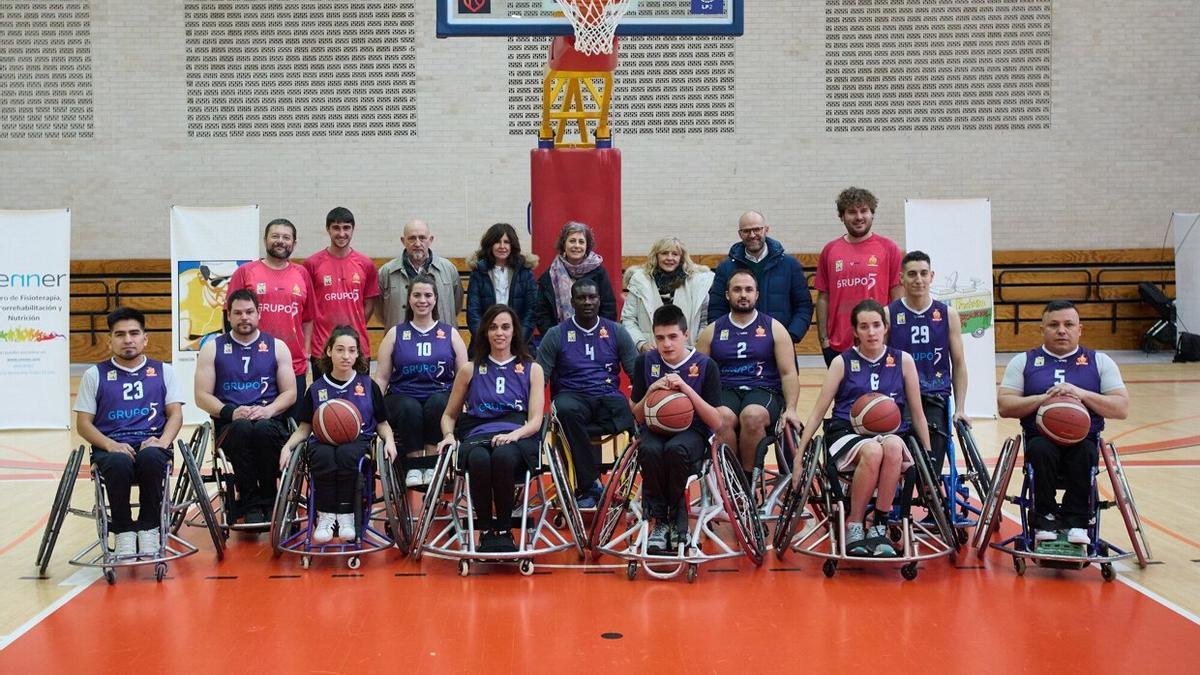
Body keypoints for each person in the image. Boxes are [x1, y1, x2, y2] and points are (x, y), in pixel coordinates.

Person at [792, 299, 932, 557]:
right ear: (855, 331)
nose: (871, 332)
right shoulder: (842, 362)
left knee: (890, 447)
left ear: (886, 327)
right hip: (846, 432)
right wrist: (799, 458)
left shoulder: (903, 360)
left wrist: (928, 458)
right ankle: (855, 523)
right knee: (873, 450)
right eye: (864, 327)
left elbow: (919, 415)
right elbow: (817, 413)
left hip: (890, 433)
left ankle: (879, 524)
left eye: (876, 325)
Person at [997, 300, 1129, 545]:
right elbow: (1004, 406)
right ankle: (1044, 518)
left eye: (1069, 324)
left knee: (1085, 452)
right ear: (1042, 329)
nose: (1061, 330)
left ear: (1080, 329)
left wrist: (1082, 394)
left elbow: (1121, 407)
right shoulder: (1024, 361)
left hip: (1084, 438)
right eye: (1054, 325)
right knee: (1041, 450)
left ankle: (1077, 521)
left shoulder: (1099, 361)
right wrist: (1042, 398)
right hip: (1040, 438)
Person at [73, 307, 185, 558]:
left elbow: (175, 414)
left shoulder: (164, 371)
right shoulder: (94, 375)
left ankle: (149, 527)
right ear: (109, 340)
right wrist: (110, 445)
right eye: (120, 334)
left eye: (134, 333)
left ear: (145, 338)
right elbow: (83, 424)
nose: (128, 339)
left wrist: (162, 442)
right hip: (112, 447)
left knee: (151, 457)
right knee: (118, 461)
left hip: (152, 442)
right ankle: (123, 531)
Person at [437, 305, 545, 553]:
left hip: (517, 434)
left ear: (514, 332)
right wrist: (449, 436)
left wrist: (513, 436)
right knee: (479, 459)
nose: (499, 333)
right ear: (485, 332)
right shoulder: (469, 369)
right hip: (477, 433)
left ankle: (505, 529)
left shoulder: (532, 369)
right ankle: (485, 530)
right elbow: (449, 415)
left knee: (504, 457)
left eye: (505, 327)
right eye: (494, 327)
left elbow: (536, 420)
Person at [279, 327, 397, 544]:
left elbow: (383, 424)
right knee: (322, 455)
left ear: (357, 355)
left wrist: (389, 441)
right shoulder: (315, 389)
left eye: (352, 351)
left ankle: (346, 516)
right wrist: (287, 446)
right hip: (322, 441)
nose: (346, 356)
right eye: (340, 350)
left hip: (358, 440)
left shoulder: (368, 385)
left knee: (347, 454)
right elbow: (304, 429)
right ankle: (325, 516)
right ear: (329, 352)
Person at [194, 290, 296, 524]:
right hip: (231, 426)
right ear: (228, 316)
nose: (244, 317)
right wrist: (231, 412)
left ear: (259, 314)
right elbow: (201, 396)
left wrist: (268, 410)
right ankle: (249, 502)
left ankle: (270, 499)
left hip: (269, 422)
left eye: (249, 312)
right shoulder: (213, 348)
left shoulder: (277, 346)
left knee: (261, 429)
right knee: (241, 428)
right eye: (237, 313)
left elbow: (290, 392)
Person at [536, 278, 638, 508]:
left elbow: (636, 373)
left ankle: (632, 486)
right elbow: (539, 378)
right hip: (572, 396)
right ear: (572, 302)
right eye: (581, 298)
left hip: (606, 396)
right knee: (564, 411)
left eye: (592, 297)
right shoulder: (556, 334)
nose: (587, 302)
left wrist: (646, 403)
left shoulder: (616, 331)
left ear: (599, 300)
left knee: (628, 410)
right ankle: (589, 485)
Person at [631, 305, 723, 554]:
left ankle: (678, 521)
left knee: (675, 449)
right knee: (649, 449)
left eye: (673, 336)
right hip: (655, 427)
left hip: (692, 431)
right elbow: (636, 414)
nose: (667, 344)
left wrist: (686, 389)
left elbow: (717, 421)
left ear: (686, 335)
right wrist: (651, 391)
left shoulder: (705, 365)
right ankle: (660, 522)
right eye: (660, 338)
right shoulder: (645, 363)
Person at [697, 270, 802, 475]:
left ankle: (747, 480)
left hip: (763, 389)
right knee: (722, 418)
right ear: (728, 295)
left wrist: (791, 409)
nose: (743, 294)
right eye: (737, 289)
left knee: (752, 416)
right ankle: (731, 479)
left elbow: (789, 373)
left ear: (757, 294)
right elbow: (699, 374)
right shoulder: (712, 331)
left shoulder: (774, 328)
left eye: (748, 289)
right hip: (726, 389)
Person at [373, 275, 468, 488]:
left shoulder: (450, 333)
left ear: (435, 299)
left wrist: (467, 403)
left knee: (437, 405)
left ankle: (433, 464)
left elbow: (464, 375)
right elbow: (381, 377)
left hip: (440, 393)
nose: (422, 300)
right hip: (402, 395)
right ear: (409, 299)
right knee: (409, 408)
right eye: (417, 295)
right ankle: (414, 466)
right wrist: (373, 406)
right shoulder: (395, 333)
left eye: (427, 295)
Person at [886, 250, 969, 474]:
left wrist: (960, 408)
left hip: (934, 393)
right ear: (901, 278)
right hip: (898, 396)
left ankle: (931, 490)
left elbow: (959, 364)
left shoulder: (947, 314)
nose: (918, 279)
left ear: (932, 276)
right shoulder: (889, 314)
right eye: (912, 274)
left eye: (924, 273)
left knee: (933, 450)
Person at [226, 218, 314, 419]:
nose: (280, 241)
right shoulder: (246, 272)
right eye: (275, 236)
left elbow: (308, 319)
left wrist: (306, 352)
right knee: (257, 425)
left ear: (294, 243)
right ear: (265, 240)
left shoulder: (302, 274)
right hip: (253, 364)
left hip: (294, 363)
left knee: (291, 426)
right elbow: (230, 314)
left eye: (286, 237)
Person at [814, 187, 904, 365]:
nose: (859, 217)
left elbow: (897, 299)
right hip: (838, 347)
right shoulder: (830, 250)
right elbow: (823, 298)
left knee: (879, 394)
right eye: (852, 212)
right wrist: (824, 340)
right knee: (842, 394)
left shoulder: (889, 249)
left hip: (879, 344)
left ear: (872, 214)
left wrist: (892, 338)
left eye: (864, 210)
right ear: (842, 216)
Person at [708, 210, 812, 343]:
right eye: (746, 231)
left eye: (757, 229)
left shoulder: (789, 265)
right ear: (740, 234)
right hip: (736, 346)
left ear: (766, 230)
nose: (752, 235)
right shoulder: (725, 268)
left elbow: (803, 305)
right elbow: (717, 308)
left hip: (779, 345)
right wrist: (725, 340)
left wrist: (790, 336)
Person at [303, 206, 380, 372]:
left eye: (346, 228)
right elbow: (307, 307)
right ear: (328, 229)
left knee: (358, 398)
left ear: (353, 229)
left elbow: (369, 304)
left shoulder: (365, 264)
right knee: (325, 398)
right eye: (336, 228)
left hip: (356, 347)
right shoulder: (312, 264)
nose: (341, 233)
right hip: (323, 348)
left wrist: (353, 326)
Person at [622, 236, 713, 352]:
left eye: (675, 254)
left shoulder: (697, 283)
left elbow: (704, 321)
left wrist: (698, 344)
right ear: (656, 256)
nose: (670, 258)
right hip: (651, 354)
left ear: (681, 257)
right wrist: (641, 343)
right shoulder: (639, 282)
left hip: (687, 354)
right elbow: (628, 319)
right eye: (664, 253)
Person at [533, 221, 617, 337]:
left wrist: (597, 335)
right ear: (564, 244)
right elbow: (542, 313)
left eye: (581, 242)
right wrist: (554, 337)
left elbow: (608, 309)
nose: (576, 245)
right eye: (572, 241)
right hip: (560, 340)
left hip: (595, 338)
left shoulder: (599, 273)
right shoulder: (550, 275)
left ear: (587, 246)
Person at [379, 219, 463, 332]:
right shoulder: (386, 272)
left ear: (430, 240)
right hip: (401, 343)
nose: (417, 244)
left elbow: (456, 306)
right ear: (403, 241)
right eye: (412, 238)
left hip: (441, 339)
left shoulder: (448, 269)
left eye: (422, 238)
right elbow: (380, 312)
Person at [466, 222, 538, 343]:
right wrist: (487, 340)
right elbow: (473, 312)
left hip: (520, 342)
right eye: (497, 242)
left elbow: (531, 310)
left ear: (512, 245)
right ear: (490, 245)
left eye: (507, 242)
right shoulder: (479, 272)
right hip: (484, 342)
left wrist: (518, 339)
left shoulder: (524, 272)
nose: (502, 246)